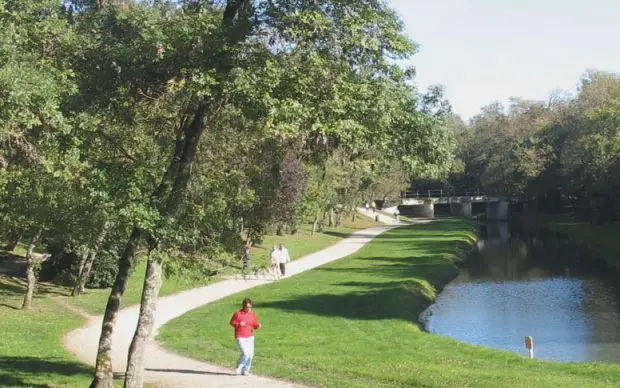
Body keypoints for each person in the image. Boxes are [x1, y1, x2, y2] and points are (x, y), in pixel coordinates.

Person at [230, 298, 261, 376]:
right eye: (247, 307)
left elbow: (255, 324)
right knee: (245, 353)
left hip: (250, 336)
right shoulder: (238, 313)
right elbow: (232, 322)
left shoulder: (252, 313)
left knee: (251, 354)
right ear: (243, 306)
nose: (249, 309)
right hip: (240, 336)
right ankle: (238, 368)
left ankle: (246, 370)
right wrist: (239, 324)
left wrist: (258, 326)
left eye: (250, 307)